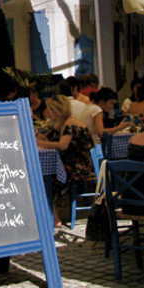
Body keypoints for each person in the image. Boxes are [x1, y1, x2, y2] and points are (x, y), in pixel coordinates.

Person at [36, 94, 94, 228]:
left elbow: (62, 145)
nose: (48, 113)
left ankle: (53, 215)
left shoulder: (70, 125)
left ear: (57, 110)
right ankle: (51, 214)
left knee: (45, 177)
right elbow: (50, 139)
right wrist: (38, 135)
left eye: (50, 110)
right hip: (74, 164)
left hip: (80, 168)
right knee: (45, 175)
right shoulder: (63, 123)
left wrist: (39, 142)